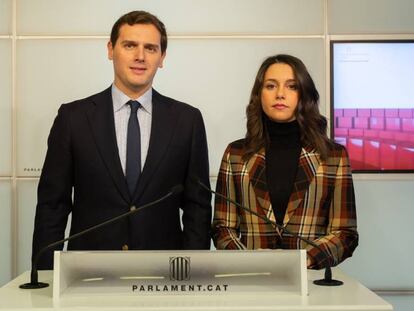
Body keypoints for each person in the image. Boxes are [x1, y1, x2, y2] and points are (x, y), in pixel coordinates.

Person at [32, 11, 211, 270]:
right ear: (110, 50)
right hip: (87, 274)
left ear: (162, 58)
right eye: (130, 45)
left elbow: (198, 208)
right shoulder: (73, 118)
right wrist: (46, 275)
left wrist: (192, 272)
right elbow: (52, 205)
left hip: (163, 276)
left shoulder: (187, 120)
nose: (140, 56)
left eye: (150, 48)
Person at [212, 54, 358, 269]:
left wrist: (304, 260)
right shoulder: (236, 154)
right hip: (250, 280)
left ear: (303, 94)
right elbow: (222, 227)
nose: (280, 94)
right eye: (271, 86)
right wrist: (248, 261)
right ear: (259, 95)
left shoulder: (333, 156)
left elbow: (345, 233)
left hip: (310, 283)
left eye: (291, 86)